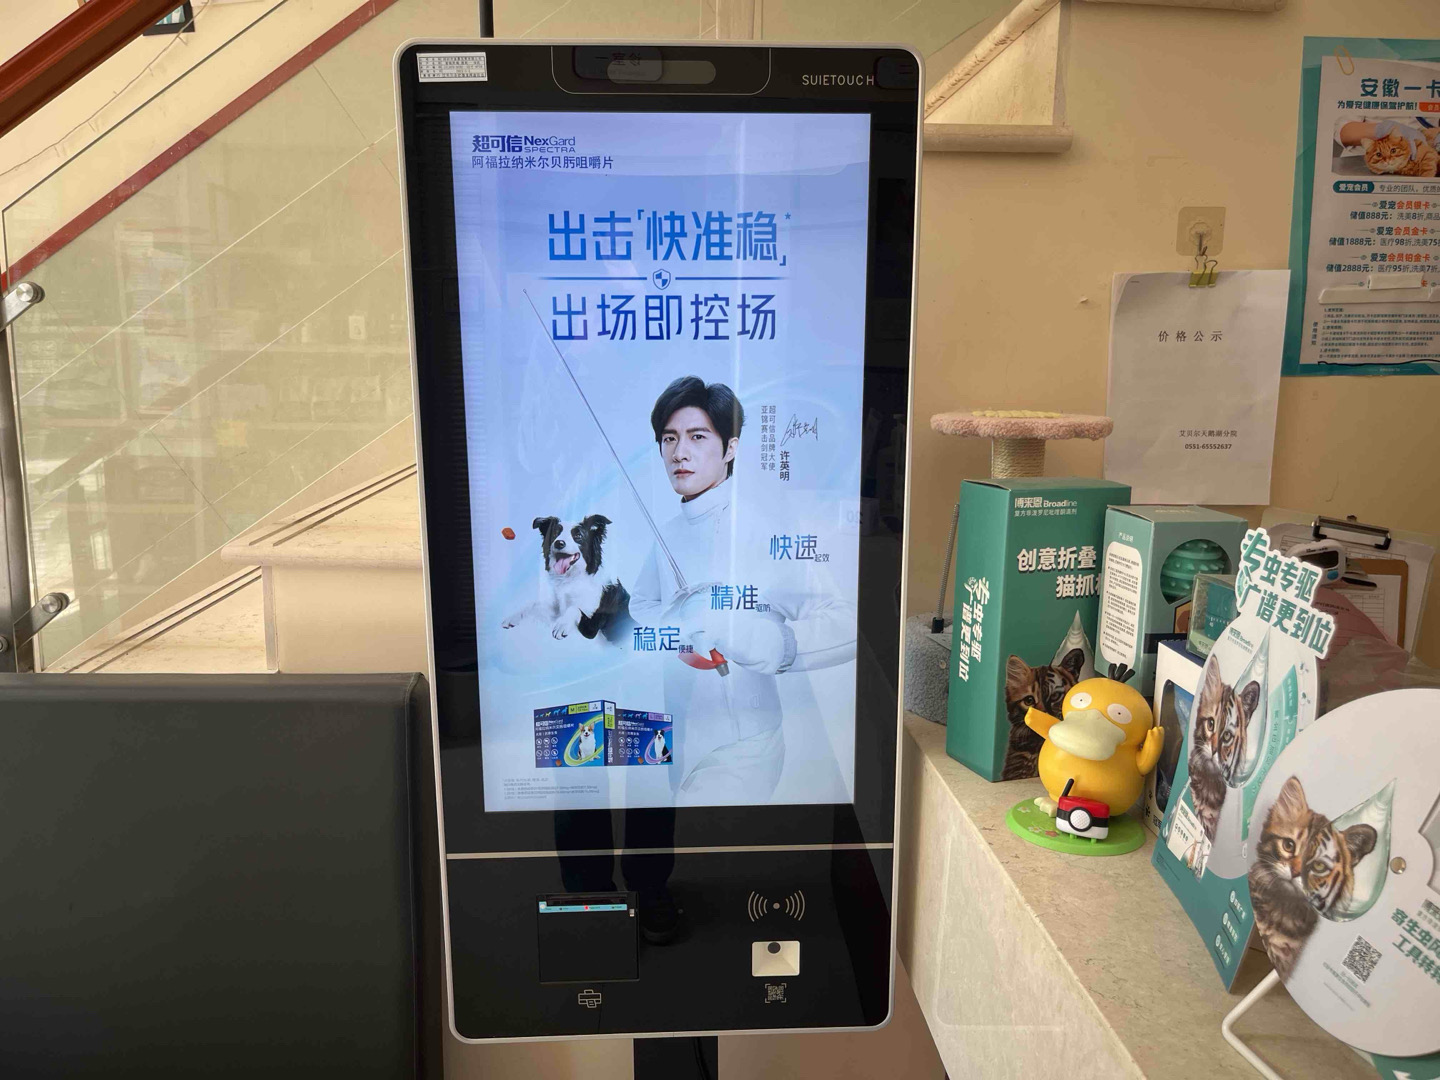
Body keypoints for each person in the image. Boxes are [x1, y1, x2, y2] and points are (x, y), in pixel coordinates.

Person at [628, 375, 856, 805]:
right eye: (669, 438)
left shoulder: (763, 527)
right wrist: (681, 621)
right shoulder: (668, 533)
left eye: (697, 437)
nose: (679, 452)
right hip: (678, 737)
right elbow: (642, 603)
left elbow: (847, 623)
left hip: (745, 746)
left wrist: (763, 641)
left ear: (730, 448)